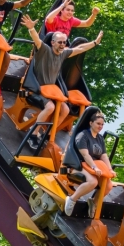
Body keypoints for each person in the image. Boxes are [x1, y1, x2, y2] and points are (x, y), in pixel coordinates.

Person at [20, 14, 103, 149]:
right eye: (60, 42)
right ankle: (33, 134)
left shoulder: (63, 53)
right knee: (51, 107)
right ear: (53, 43)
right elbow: (37, 40)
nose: (63, 45)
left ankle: (48, 132)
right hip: (35, 90)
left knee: (65, 108)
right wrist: (31, 29)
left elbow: (79, 49)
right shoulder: (45, 51)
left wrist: (95, 43)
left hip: (51, 93)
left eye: (64, 42)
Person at [64, 111, 114, 216]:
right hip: (78, 164)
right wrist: (94, 167)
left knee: (108, 185)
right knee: (93, 182)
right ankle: (72, 200)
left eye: (102, 124)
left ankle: (93, 202)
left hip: (93, 167)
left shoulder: (100, 138)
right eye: (98, 123)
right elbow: (85, 155)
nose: (100, 126)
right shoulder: (83, 135)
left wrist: (110, 169)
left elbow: (103, 155)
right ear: (91, 123)